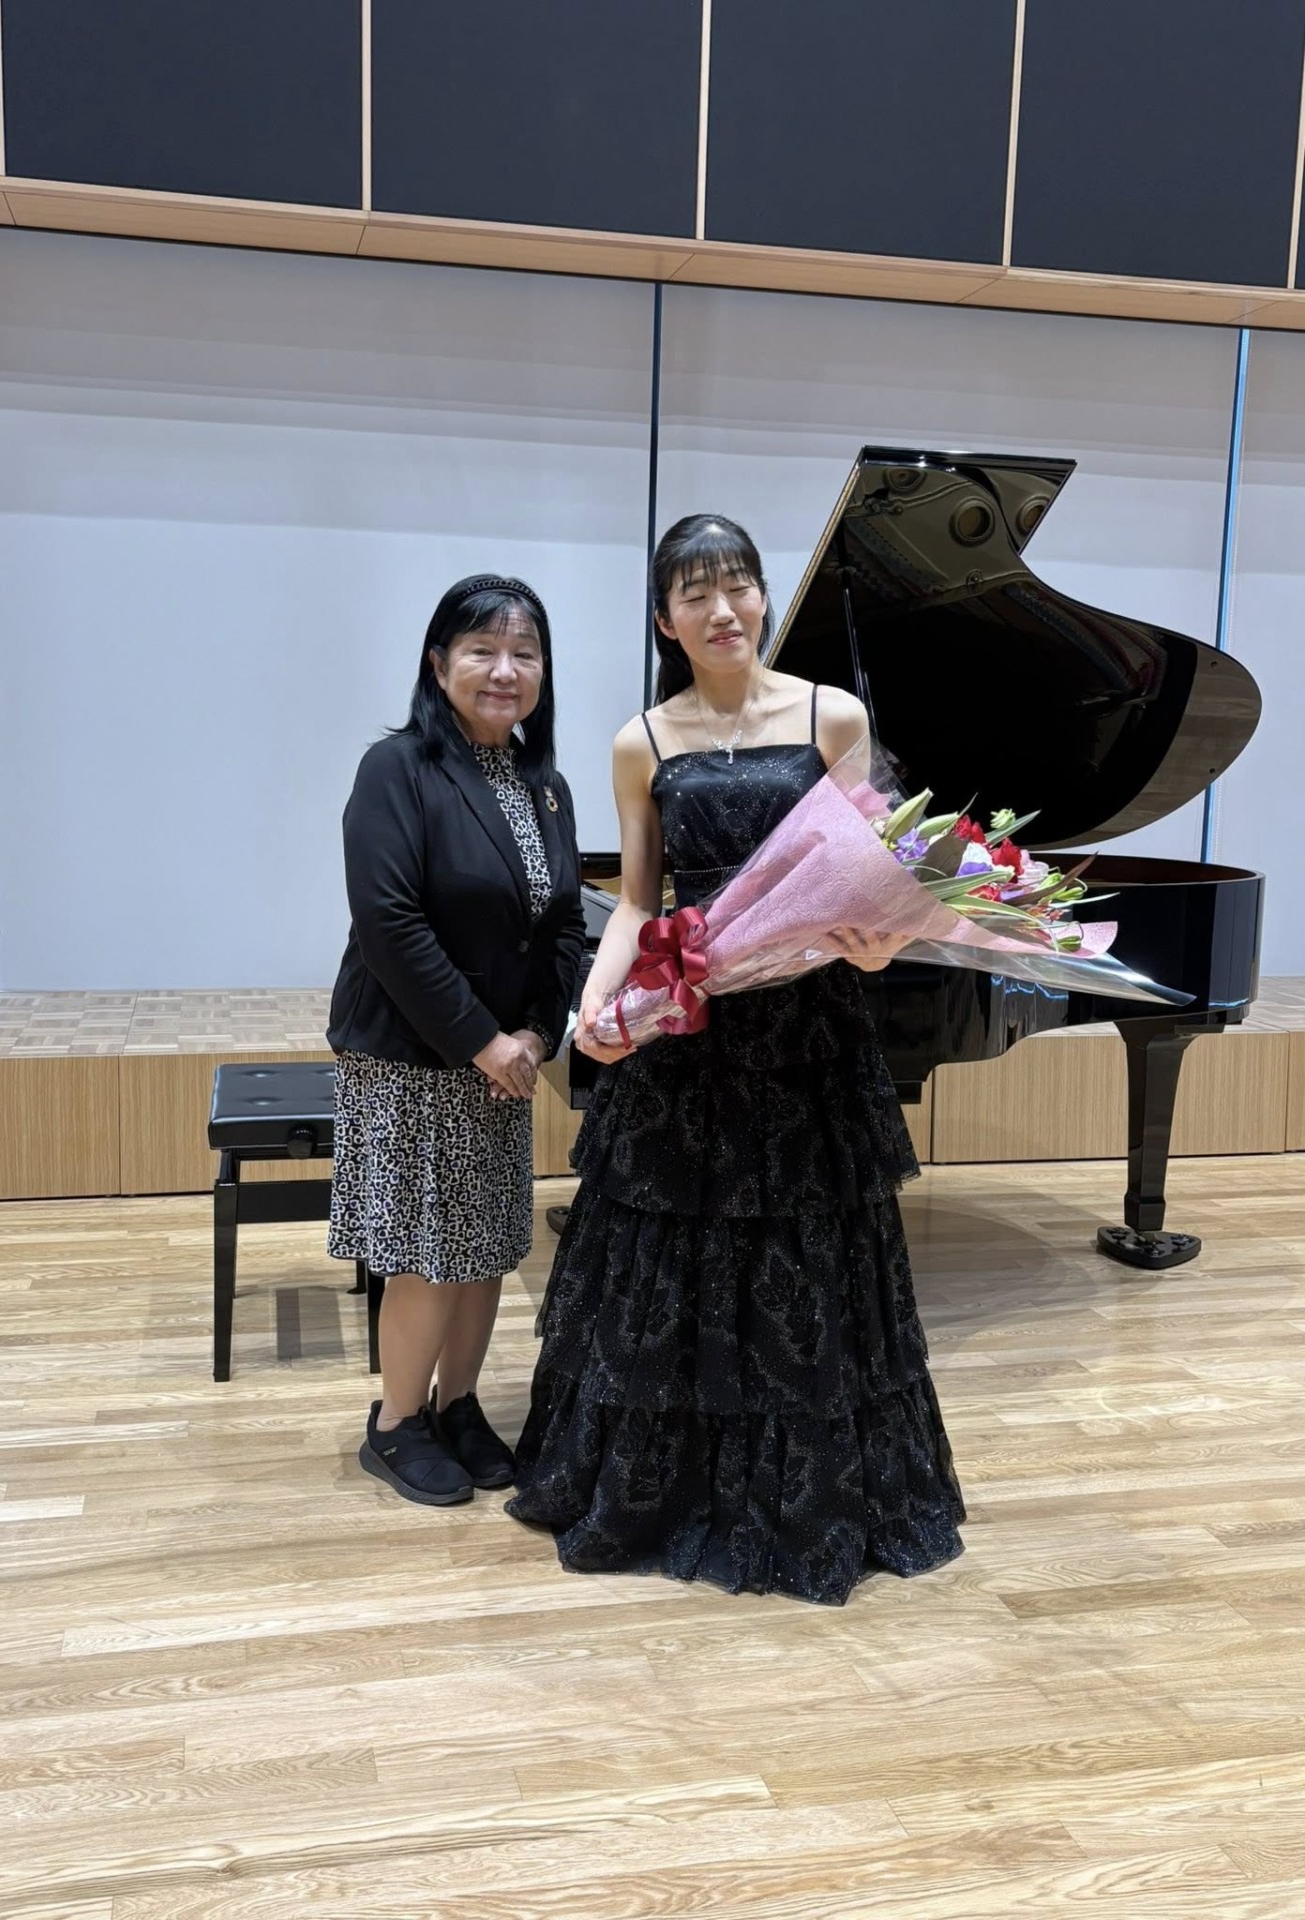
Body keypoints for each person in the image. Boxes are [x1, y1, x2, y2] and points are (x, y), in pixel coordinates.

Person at [507, 517, 965, 1601]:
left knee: (809, 1256)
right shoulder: (642, 741)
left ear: (763, 597)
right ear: (665, 620)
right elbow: (637, 903)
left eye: (739, 586)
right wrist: (595, 1001)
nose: (723, 610)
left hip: (809, 1035)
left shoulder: (830, 715)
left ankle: (807, 1499)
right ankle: (669, 1490)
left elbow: (873, 884)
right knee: (676, 1259)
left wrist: (880, 944)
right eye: (695, 594)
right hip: (690, 1034)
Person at [327, 575, 585, 1507]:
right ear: (439, 666)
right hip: (414, 1056)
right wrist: (483, 1041)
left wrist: (537, 1033)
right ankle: (397, 1422)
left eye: (524, 653)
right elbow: (390, 924)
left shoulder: (545, 787)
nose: (504, 670)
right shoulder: (396, 769)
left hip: (504, 1061)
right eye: (482, 650)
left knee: (487, 1249)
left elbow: (563, 929)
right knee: (426, 1252)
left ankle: (459, 1403)